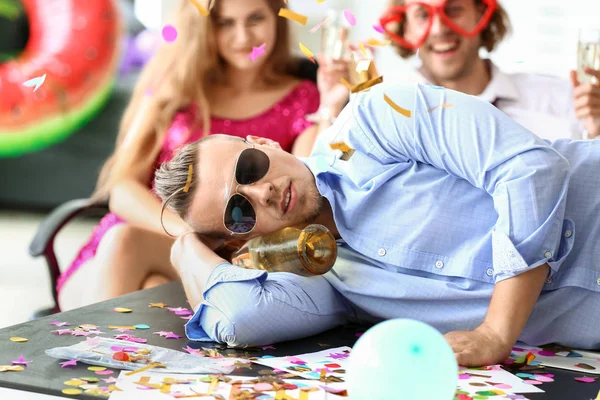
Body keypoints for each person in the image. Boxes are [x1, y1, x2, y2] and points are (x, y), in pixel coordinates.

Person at [155, 82, 600, 367]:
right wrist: (185, 246)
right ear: (243, 238)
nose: (261, 193)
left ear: (265, 142)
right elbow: (240, 319)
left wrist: (496, 332)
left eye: (249, 168)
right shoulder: (328, 279)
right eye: (239, 212)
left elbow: (532, 171)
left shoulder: (374, 120)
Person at [57, 0, 350, 311]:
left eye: (255, 19)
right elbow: (122, 189)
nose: (243, 37)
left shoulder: (303, 96)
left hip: (233, 254)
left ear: (276, 19)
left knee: (152, 292)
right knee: (127, 246)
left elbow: (306, 175)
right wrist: (194, 235)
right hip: (144, 234)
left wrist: (330, 108)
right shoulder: (175, 87)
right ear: (205, 27)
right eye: (225, 23)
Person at [376, 0, 600, 141]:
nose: (439, 29)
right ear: (405, 27)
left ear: (482, 13)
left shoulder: (563, 98)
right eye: (423, 15)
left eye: (454, 9)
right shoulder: (383, 112)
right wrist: (338, 110)